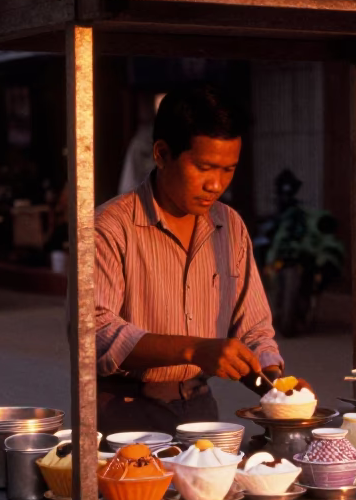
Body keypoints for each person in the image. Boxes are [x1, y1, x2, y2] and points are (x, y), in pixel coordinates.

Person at [94, 84, 283, 436]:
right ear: (162, 154)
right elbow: (97, 332)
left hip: (200, 410)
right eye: (204, 167)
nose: (216, 184)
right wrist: (194, 349)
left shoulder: (230, 226)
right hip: (125, 415)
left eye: (228, 170)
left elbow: (253, 330)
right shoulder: (110, 227)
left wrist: (278, 388)